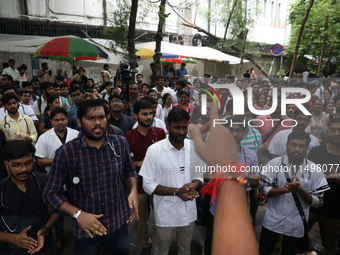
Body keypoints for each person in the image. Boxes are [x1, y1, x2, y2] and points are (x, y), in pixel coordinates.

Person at [43, 99, 138, 255]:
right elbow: (50, 193)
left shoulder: (120, 143)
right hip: (86, 231)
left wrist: (133, 189)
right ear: (79, 122)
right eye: (90, 118)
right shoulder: (66, 153)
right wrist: (78, 214)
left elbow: (129, 172)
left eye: (101, 117)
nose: (97, 123)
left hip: (118, 225)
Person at [139, 107, 204, 255]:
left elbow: (199, 175)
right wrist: (177, 192)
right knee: (162, 250)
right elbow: (147, 185)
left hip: (188, 210)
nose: (181, 132)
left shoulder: (193, 148)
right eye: (176, 127)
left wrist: (191, 186)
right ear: (167, 126)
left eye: (184, 127)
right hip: (165, 213)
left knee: (185, 249)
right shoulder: (154, 150)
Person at [259, 131, 330, 255]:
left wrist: (300, 191)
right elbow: (264, 190)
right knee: (264, 250)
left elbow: (319, 202)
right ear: (287, 145)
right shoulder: (273, 164)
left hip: (296, 223)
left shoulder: (315, 170)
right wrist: (285, 190)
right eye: (293, 145)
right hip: (272, 221)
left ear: (307, 148)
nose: (297, 149)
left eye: (301, 146)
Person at [0, 140, 60, 254]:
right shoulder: (1, 189)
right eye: (17, 165)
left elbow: (57, 210)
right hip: (10, 250)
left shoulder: (45, 181)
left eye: (28, 163)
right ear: (6, 164)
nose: (24, 169)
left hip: (44, 248)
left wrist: (45, 230)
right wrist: (14, 239)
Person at [125, 100, 166, 255]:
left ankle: (163, 245)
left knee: (162, 218)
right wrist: (139, 163)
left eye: (150, 113)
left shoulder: (160, 133)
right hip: (139, 185)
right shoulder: (129, 136)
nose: (149, 117)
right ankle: (146, 245)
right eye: (144, 114)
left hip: (159, 183)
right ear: (136, 116)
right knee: (142, 220)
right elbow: (126, 162)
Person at [307, 117, 340, 255]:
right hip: (311, 205)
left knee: (330, 248)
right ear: (327, 131)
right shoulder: (316, 152)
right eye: (333, 130)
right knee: (295, 238)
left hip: (334, 211)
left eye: (339, 130)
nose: (336, 133)